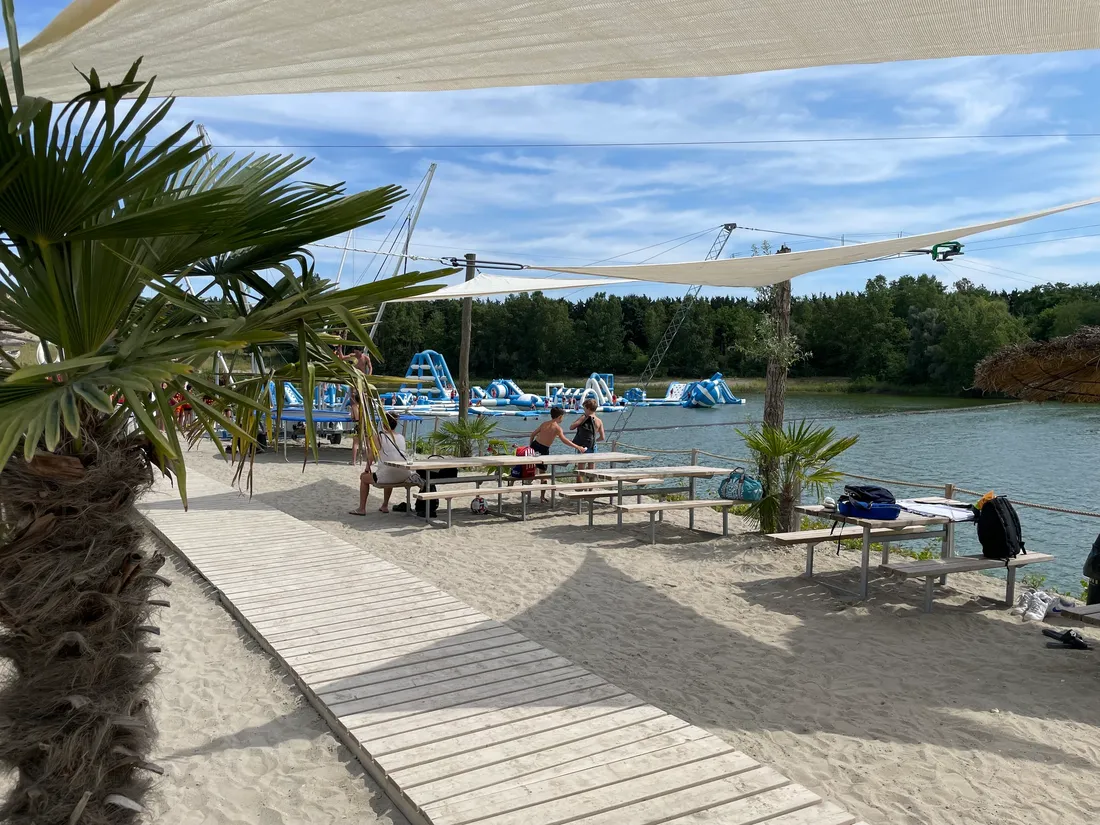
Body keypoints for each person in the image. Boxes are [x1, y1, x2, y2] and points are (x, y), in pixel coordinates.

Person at [349, 412, 413, 515]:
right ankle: (385, 505)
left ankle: (362, 508)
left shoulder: (379, 437)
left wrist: (366, 469)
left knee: (363, 478)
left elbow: (372, 455)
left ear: (383, 424)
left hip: (389, 475)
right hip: (404, 474)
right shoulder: (401, 437)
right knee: (390, 472)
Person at [529, 406, 587, 502]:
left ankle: (529, 483)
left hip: (535, 446)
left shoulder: (544, 424)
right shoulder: (557, 428)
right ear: (560, 417)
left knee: (532, 468)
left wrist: (530, 446)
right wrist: (577, 447)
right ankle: (542, 497)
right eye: (563, 416)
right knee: (543, 474)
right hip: (543, 450)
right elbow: (564, 440)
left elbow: (532, 434)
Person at [341, 348, 373, 465]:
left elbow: (370, 367)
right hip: (355, 381)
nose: (357, 353)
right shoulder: (352, 356)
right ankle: (355, 461)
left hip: (361, 381)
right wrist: (339, 349)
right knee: (363, 440)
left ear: (361, 351)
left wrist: (368, 376)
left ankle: (361, 460)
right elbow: (342, 358)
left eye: (358, 352)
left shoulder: (365, 358)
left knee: (361, 441)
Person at [569, 398, 605, 471]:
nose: (584, 410)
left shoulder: (583, 418)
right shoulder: (599, 421)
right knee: (592, 469)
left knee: (581, 469)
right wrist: (594, 440)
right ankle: (592, 481)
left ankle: (580, 482)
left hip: (582, 446)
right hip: (593, 446)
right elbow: (602, 437)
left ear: (588, 408)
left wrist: (581, 418)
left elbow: (571, 427)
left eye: (584, 408)